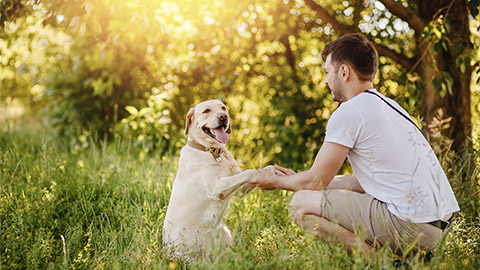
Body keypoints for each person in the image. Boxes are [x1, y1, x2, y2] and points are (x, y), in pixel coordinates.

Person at [249, 33, 460, 256]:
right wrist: (296, 177)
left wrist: (275, 181)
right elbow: (358, 182)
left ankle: (382, 264)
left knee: (300, 203)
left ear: (343, 71)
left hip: (412, 227)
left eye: (327, 72)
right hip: (439, 229)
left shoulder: (350, 111)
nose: (325, 81)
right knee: (308, 191)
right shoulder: (389, 106)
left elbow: (314, 181)